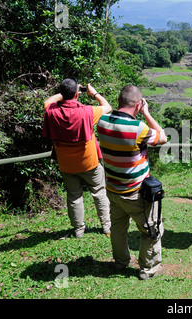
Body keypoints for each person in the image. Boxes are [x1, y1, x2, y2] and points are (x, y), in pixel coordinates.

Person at [97, 85, 167, 279]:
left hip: (112, 188)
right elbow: (162, 137)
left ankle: (120, 262)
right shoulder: (138, 128)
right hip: (135, 192)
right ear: (138, 104)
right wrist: (146, 113)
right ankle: (149, 268)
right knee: (152, 229)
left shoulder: (102, 122)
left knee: (118, 229)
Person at [43, 78, 112, 238]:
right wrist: (93, 92)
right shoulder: (86, 111)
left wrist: (65, 93)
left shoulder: (52, 111)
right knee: (99, 192)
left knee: (74, 196)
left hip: (66, 164)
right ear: (77, 94)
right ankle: (107, 227)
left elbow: (48, 101)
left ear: (62, 93)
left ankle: (79, 230)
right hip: (90, 162)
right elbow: (107, 107)